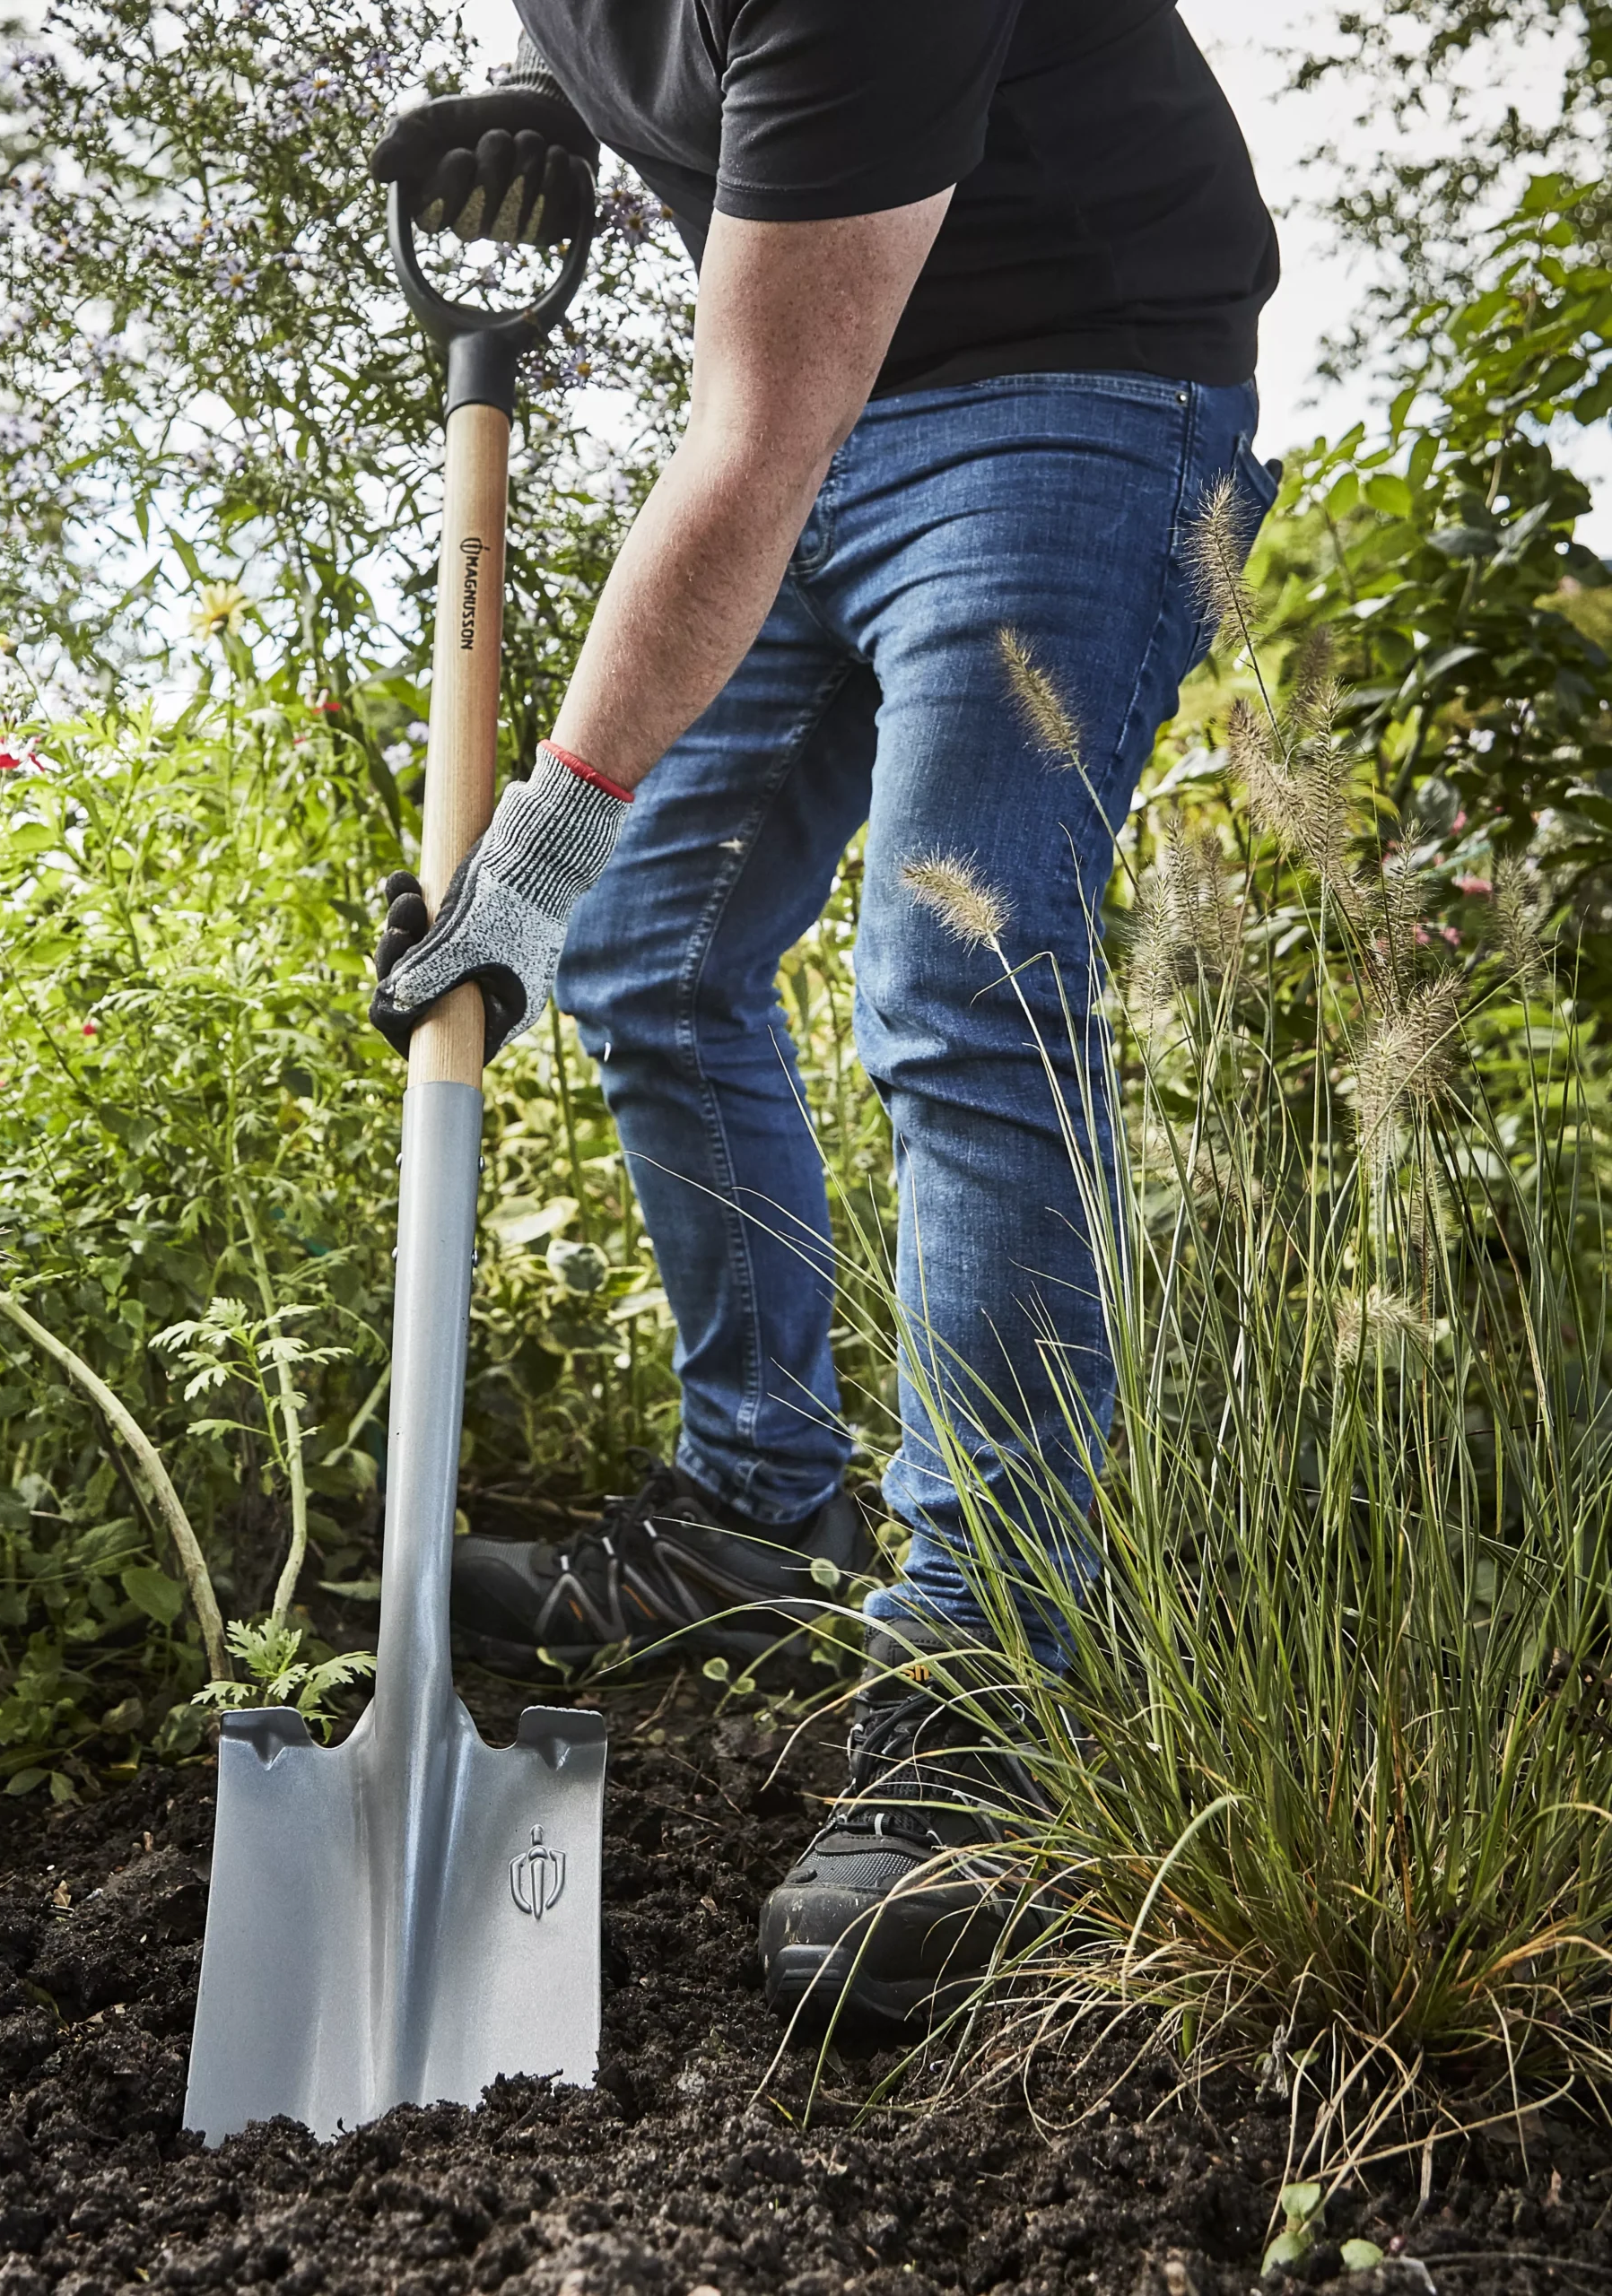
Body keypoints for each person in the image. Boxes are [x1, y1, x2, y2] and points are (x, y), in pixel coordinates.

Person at [368, 3, 1278, 2023]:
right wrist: (561, 105)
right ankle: (757, 1507)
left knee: (962, 984)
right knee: (644, 952)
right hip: (820, 394)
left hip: (1075, 385)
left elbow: (754, 430)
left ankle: (988, 1672)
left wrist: (536, 846)